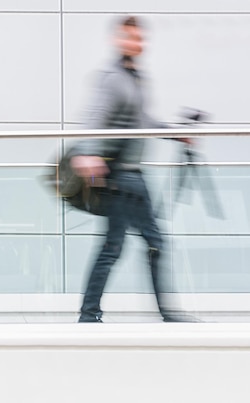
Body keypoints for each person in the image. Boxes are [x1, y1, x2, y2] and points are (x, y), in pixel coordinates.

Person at [71, 15, 195, 323]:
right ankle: (163, 314)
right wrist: (88, 153)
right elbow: (94, 117)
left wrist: (174, 132)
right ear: (117, 40)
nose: (134, 43)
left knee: (117, 245)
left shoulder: (136, 77)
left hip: (131, 177)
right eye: (128, 37)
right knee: (139, 243)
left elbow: (143, 122)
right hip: (120, 177)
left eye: (138, 38)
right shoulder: (113, 78)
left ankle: (90, 314)